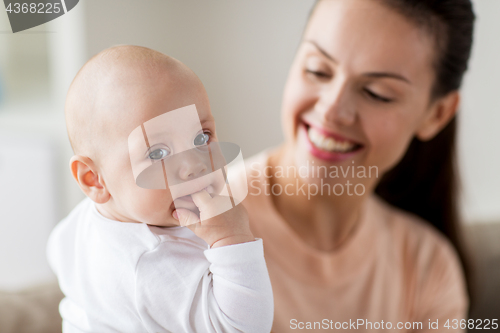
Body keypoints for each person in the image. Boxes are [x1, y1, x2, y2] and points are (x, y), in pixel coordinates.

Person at [235, 0, 475, 331]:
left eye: (377, 93)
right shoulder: (191, 223)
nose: (332, 109)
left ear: (437, 114)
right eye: (318, 70)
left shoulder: (428, 267)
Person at [46, 45, 273, 333]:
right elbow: (244, 328)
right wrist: (233, 239)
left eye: (202, 137)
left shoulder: (87, 218)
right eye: (157, 154)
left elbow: (56, 248)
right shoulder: (154, 263)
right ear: (94, 179)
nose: (194, 165)